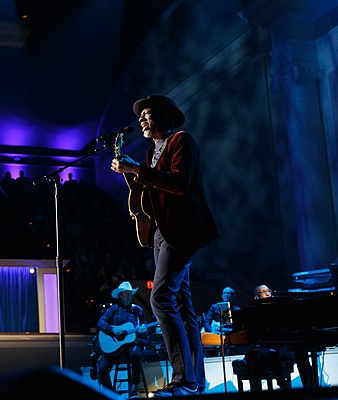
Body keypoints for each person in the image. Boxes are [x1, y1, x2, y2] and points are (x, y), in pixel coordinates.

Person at [111, 95, 219, 396]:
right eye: (141, 116)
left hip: (182, 230)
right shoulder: (151, 151)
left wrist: (138, 171)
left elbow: (179, 183)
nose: (142, 120)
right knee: (182, 306)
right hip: (162, 232)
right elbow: (151, 190)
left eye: (148, 114)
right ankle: (195, 381)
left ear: (167, 117)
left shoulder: (182, 140)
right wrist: (132, 174)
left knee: (160, 299)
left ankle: (183, 381)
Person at [95, 281, 150, 396]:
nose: (129, 296)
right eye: (126, 293)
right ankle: (110, 394)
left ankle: (134, 389)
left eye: (130, 293)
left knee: (136, 353)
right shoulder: (114, 309)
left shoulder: (137, 310)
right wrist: (112, 329)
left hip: (132, 344)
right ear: (120, 295)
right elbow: (100, 322)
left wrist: (142, 332)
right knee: (102, 369)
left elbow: (145, 330)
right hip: (116, 346)